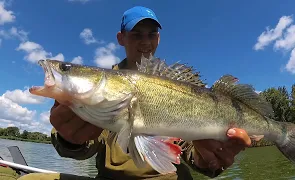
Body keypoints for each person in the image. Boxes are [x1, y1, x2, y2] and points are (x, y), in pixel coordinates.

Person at [17, 6, 252, 180]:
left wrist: (209, 160)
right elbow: (85, 147)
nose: (145, 41)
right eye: (136, 34)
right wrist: (70, 140)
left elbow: (191, 153)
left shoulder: (171, 86)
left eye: (151, 34)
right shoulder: (101, 92)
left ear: (158, 38)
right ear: (121, 38)